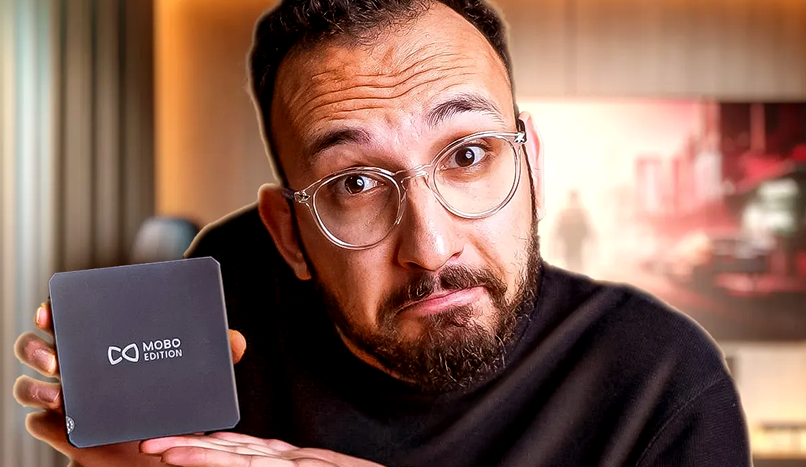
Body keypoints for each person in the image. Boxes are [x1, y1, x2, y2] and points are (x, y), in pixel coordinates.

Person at [14, 0, 751, 466]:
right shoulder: (228, 300)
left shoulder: (661, 383)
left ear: (530, 165)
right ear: (289, 235)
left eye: (468, 155)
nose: (430, 247)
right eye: (355, 185)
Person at [554, 189, 593, 273]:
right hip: (573, 241)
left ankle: (574, 274)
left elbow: (559, 228)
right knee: (574, 260)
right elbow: (586, 228)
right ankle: (575, 274)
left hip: (573, 241)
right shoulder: (577, 212)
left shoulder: (569, 211)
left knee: (572, 260)